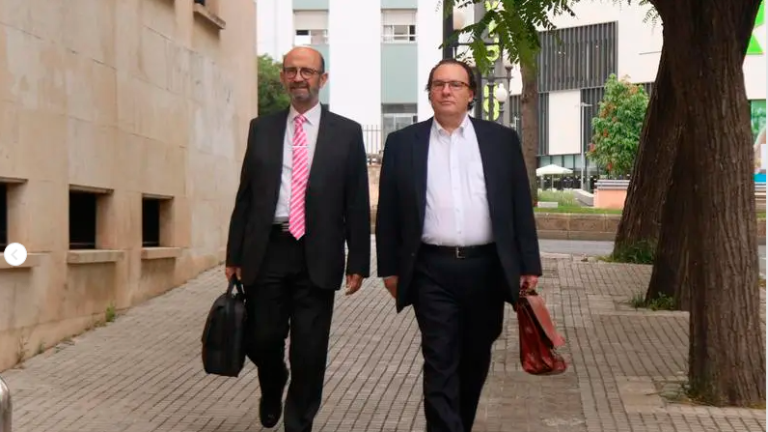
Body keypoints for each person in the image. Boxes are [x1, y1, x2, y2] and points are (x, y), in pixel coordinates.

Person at [374, 58, 542, 432]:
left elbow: (519, 207)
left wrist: (529, 264)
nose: (446, 91)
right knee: (439, 360)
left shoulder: (500, 141)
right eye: (438, 84)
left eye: (455, 84)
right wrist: (389, 268)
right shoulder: (403, 143)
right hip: (431, 270)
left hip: (486, 268)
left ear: (471, 94)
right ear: (430, 93)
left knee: (474, 359)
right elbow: (389, 213)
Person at [225, 46, 371, 432]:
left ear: (322, 79)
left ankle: (299, 422)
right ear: (283, 78)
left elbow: (357, 200)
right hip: (267, 249)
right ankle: (273, 383)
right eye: (291, 70)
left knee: (310, 349)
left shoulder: (347, 133)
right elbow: (246, 195)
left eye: (307, 71)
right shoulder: (263, 128)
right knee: (261, 338)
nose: (298, 77)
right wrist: (233, 253)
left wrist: (358, 259)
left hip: (318, 252)